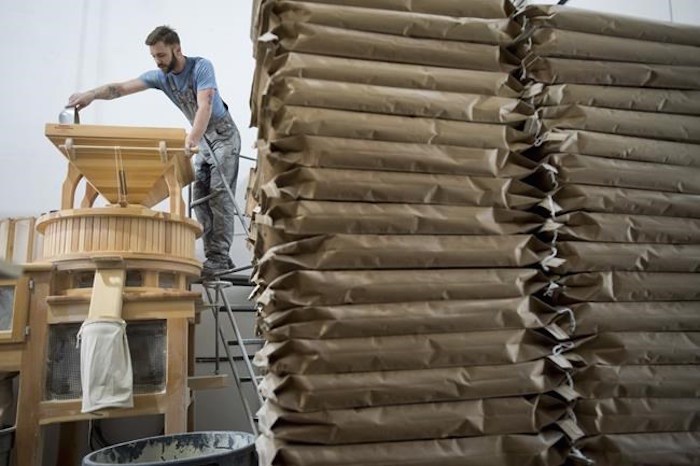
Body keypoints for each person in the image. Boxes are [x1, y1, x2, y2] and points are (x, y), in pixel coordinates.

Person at [67, 25, 240, 276]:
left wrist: (192, 137)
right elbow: (121, 88)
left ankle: (219, 257)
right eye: (154, 57)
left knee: (219, 195)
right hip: (201, 140)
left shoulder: (201, 67)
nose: (158, 61)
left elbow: (205, 104)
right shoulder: (161, 77)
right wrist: (91, 95)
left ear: (177, 50)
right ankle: (217, 256)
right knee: (200, 199)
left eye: (161, 55)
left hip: (223, 135)